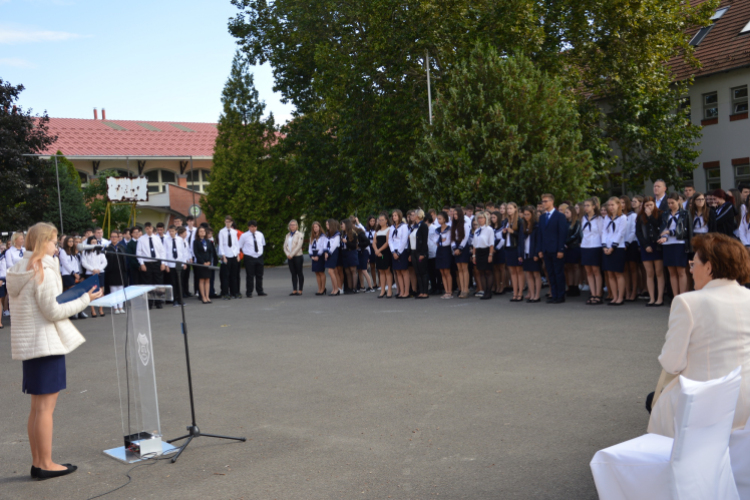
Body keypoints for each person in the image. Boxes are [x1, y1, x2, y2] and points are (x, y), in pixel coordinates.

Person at [7, 222, 103, 480]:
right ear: (41, 243)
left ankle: (38, 462)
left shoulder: (20, 268)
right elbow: (53, 311)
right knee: (45, 409)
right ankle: (46, 463)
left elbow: (42, 307)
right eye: (53, 241)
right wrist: (85, 299)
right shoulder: (43, 270)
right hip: (46, 343)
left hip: (31, 344)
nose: (57, 246)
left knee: (37, 408)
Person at [648, 233, 750, 438]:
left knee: (656, 400)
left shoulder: (687, 302)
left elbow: (671, 364)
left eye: (693, 264)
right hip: (745, 400)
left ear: (709, 267)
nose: (690, 270)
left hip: (707, 402)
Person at [537, 194, 568, 304]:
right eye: (542, 201)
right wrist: (540, 249)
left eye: (545, 201)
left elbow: (562, 234)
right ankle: (554, 294)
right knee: (550, 273)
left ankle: (560, 295)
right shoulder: (542, 217)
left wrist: (560, 249)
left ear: (552, 202)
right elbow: (540, 234)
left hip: (556, 249)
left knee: (558, 273)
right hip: (546, 249)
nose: (543, 203)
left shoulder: (559, 216)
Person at [657, 193, 689, 296]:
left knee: (681, 271)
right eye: (669, 203)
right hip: (668, 244)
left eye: (672, 203)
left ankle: (682, 296)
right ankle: (675, 296)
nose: (670, 205)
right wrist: (664, 237)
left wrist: (670, 233)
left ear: (678, 201)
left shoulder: (685, 213)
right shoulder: (666, 214)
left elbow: (685, 231)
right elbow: (663, 227)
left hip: (679, 243)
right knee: (672, 272)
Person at [636, 197, 665, 307]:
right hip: (646, 246)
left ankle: (660, 298)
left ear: (654, 205)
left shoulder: (660, 214)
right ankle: (652, 298)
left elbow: (659, 227)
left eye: (650, 205)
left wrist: (650, 216)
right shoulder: (640, 216)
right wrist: (645, 245)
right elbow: (638, 232)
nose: (648, 207)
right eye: (646, 205)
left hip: (657, 245)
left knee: (659, 272)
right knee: (649, 273)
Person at [602, 197, 627, 306]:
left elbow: (620, 233)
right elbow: (604, 232)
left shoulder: (623, 218)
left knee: (618, 273)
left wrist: (612, 247)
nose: (611, 207)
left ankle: (620, 297)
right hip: (607, 248)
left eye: (613, 205)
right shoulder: (607, 218)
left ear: (618, 205)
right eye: (609, 205)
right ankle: (614, 296)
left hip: (617, 248)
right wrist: (604, 246)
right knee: (610, 273)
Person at [136, 222, 166, 309]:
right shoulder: (141, 239)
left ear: (153, 228)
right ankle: (149, 302)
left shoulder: (157, 238)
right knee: (147, 283)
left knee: (158, 282)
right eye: (147, 229)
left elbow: (162, 251)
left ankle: (158, 301)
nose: (149, 230)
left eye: (150, 228)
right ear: (145, 229)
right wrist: (142, 263)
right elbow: (139, 252)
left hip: (157, 262)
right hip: (147, 263)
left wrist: (163, 263)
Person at [502, 202, 525, 302]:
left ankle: (520, 293)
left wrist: (513, 232)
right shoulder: (506, 221)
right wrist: (504, 233)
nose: (509, 210)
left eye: (511, 208)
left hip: (516, 248)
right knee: (512, 271)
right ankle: (514, 293)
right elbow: (504, 237)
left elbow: (521, 237)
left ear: (515, 209)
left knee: (519, 271)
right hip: (508, 248)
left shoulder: (519, 221)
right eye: (508, 209)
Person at [81, 235, 107, 317]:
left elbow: (104, 262)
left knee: (101, 291)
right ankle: (93, 310)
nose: (94, 243)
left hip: (100, 272)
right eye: (92, 242)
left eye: (95, 242)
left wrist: (98, 269)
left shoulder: (100, 251)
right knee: (91, 291)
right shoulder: (85, 252)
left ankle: (101, 309)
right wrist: (93, 270)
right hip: (90, 273)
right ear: (89, 243)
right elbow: (84, 263)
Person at [238, 221, 266, 297]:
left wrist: (260, 252)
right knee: (250, 275)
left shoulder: (260, 234)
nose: (253, 228)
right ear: (248, 227)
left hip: (259, 256)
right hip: (249, 257)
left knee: (259, 275)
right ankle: (249, 292)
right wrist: (245, 252)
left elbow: (262, 244)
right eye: (251, 227)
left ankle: (260, 290)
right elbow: (239, 246)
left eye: (254, 227)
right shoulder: (244, 236)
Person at [58, 236, 84, 320]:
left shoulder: (72, 252)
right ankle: (73, 312)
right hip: (67, 274)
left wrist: (77, 273)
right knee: (73, 293)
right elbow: (65, 264)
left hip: (73, 274)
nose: (71, 243)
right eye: (69, 241)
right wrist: (73, 273)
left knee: (69, 293)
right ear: (66, 242)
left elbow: (75, 263)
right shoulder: (62, 251)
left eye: (72, 241)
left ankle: (71, 311)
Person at [561, 203, 582, 297]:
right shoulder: (564, 222)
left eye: (567, 212)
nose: (565, 214)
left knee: (575, 267)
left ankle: (576, 286)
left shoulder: (577, 222)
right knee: (568, 267)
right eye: (565, 212)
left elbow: (576, 235)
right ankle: (570, 286)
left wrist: (566, 242)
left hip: (574, 247)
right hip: (566, 247)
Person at [164, 225, 188, 306]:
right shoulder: (166, 240)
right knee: (173, 282)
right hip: (171, 263)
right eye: (170, 231)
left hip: (179, 263)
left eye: (173, 231)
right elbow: (165, 253)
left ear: (176, 231)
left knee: (180, 282)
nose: (171, 233)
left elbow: (183, 251)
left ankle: (180, 299)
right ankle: (174, 300)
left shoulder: (180, 239)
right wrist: (166, 264)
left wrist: (184, 262)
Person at [451, 206, 471, 299]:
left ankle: (465, 289)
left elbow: (465, 237)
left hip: (463, 247)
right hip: (456, 247)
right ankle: (462, 288)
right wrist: (455, 248)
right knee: (459, 269)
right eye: (453, 214)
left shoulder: (465, 224)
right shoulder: (453, 225)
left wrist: (460, 248)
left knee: (464, 268)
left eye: (456, 214)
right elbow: (452, 238)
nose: (454, 216)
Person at [104, 231, 127, 314]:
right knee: (113, 290)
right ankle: (115, 308)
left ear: (118, 238)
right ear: (110, 238)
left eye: (115, 237)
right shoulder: (108, 247)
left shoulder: (121, 247)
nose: (114, 238)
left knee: (121, 290)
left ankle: (121, 307)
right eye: (112, 237)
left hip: (121, 271)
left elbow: (124, 258)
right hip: (112, 271)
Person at [192, 226, 216, 304]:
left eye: (203, 231)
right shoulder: (196, 241)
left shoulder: (208, 241)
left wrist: (209, 261)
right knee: (202, 280)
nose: (202, 233)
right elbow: (196, 253)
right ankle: (203, 297)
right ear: (198, 233)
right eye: (200, 231)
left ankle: (207, 296)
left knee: (208, 280)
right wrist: (203, 262)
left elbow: (211, 252)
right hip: (200, 263)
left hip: (208, 263)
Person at [390, 210, 411, 299]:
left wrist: (398, 252)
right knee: (397, 271)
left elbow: (404, 240)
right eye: (393, 215)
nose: (394, 217)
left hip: (402, 251)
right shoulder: (392, 227)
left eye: (396, 215)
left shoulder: (404, 226)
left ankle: (406, 291)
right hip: (394, 251)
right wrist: (393, 251)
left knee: (404, 271)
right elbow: (390, 240)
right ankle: (401, 291)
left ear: (399, 216)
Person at [411, 209, 430, 299]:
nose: (412, 216)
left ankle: (425, 291)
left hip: (420, 252)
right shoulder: (414, 226)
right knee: (417, 272)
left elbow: (424, 241)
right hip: (414, 251)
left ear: (418, 216)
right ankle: (421, 291)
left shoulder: (423, 226)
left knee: (423, 272)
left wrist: (422, 253)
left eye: (413, 214)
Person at [435, 211, 453, 299]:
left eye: (440, 218)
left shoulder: (449, 229)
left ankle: (450, 291)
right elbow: (436, 241)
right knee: (442, 271)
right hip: (439, 250)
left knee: (447, 271)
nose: (438, 220)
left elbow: (447, 241)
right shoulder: (437, 230)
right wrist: (441, 240)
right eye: (438, 219)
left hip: (446, 251)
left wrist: (441, 241)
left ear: (445, 219)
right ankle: (446, 291)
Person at [374, 213, 393, 298]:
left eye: (382, 220)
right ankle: (382, 290)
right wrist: (376, 251)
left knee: (387, 271)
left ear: (386, 220)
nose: (380, 221)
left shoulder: (389, 229)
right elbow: (374, 242)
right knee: (381, 271)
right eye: (379, 220)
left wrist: (379, 250)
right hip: (378, 253)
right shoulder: (377, 231)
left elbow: (387, 242)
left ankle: (389, 290)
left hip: (385, 252)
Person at [284, 219, 305, 296]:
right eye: (290, 225)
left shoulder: (299, 234)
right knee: (293, 273)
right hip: (290, 257)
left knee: (299, 272)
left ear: (296, 226)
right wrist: (287, 254)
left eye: (293, 225)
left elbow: (298, 246)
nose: (292, 226)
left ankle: (300, 290)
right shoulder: (287, 235)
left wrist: (292, 254)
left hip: (297, 256)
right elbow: (284, 246)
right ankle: (294, 289)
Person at [324, 219, 343, 296]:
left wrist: (328, 253)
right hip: (328, 252)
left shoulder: (337, 234)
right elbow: (325, 243)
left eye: (327, 224)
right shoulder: (328, 233)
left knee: (330, 271)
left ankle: (337, 289)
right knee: (333, 271)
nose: (326, 226)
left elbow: (334, 245)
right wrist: (325, 252)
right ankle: (334, 288)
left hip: (333, 253)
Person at [309, 221, 328, 295]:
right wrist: (311, 255)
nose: (315, 228)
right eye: (314, 227)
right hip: (313, 254)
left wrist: (318, 255)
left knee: (321, 272)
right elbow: (310, 247)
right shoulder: (312, 236)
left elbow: (322, 246)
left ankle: (323, 289)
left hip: (320, 254)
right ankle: (319, 288)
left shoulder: (323, 236)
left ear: (319, 227)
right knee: (316, 272)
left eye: (316, 227)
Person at [490, 211, 506, 295]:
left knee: (501, 268)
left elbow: (503, 239)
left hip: (500, 249)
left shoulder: (502, 227)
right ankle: (496, 285)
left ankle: (502, 286)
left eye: (494, 217)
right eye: (492, 217)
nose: (493, 219)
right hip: (492, 249)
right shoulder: (490, 228)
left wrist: (496, 248)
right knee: (495, 268)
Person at [356, 226, 375, 293]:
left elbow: (367, 241)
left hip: (364, 251)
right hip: (359, 252)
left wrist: (359, 244)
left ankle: (371, 287)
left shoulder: (360, 234)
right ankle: (362, 286)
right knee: (359, 270)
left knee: (364, 270)